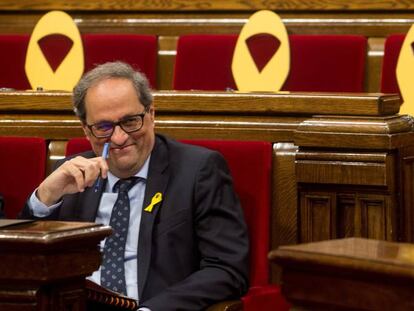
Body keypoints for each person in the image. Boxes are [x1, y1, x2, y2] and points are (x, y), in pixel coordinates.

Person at [20, 61, 249, 310]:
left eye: (130, 121)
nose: (119, 138)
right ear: (86, 130)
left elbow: (227, 269)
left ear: (151, 114)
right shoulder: (72, 176)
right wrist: (45, 197)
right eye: (104, 127)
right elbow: (21, 263)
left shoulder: (198, 170)